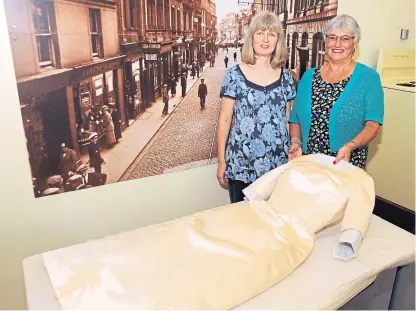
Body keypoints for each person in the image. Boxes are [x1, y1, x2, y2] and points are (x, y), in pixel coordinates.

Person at [217, 11, 296, 203]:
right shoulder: (234, 75)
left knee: (273, 222)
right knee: (243, 224)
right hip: (242, 164)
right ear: (251, 37)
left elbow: (288, 119)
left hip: (277, 163)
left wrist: (294, 146)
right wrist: (221, 161)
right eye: (260, 33)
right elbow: (225, 120)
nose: (266, 39)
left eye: (272, 34)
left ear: (278, 40)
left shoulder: (286, 77)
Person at [288, 14, 384, 169]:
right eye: (332, 37)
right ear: (326, 42)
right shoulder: (308, 77)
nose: (337, 43)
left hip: (344, 164)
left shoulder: (369, 78)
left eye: (345, 38)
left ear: (355, 43)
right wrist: (295, 141)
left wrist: (350, 146)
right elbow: (295, 119)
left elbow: (373, 125)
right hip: (308, 163)